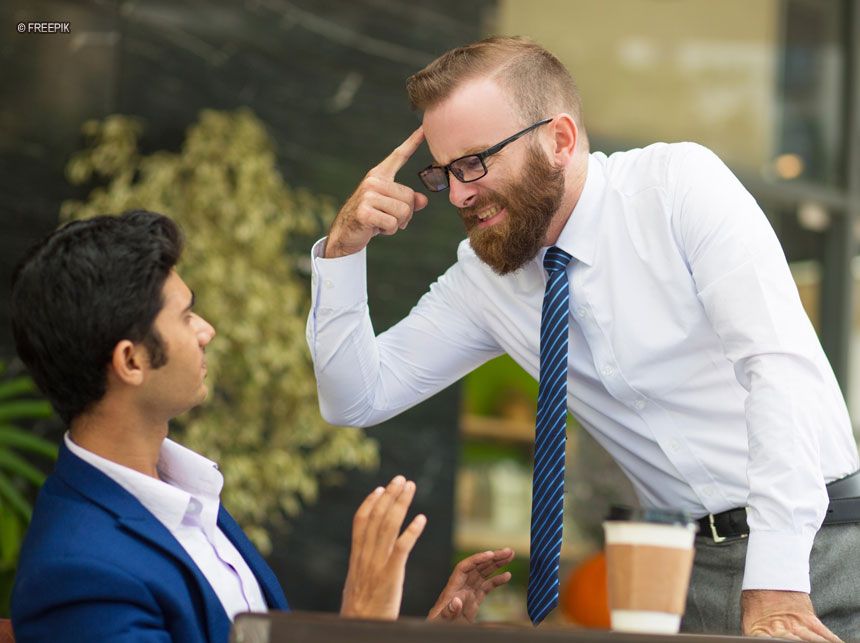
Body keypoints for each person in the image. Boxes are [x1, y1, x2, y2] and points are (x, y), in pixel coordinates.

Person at [306, 36, 860, 640]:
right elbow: (356, 397)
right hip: (683, 575)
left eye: (475, 162)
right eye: (444, 173)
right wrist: (343, 251)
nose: (459, 193)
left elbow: (776, 368)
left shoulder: (677, 187)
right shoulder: (483, 280)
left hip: (823, 546)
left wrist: (776, 586)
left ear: (560, 140)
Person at [9, 210, 513, 643]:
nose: (207, 331)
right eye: (186, 317)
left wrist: (420, 632)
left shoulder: (186, 495)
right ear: (131, 361)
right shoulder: (78, 574)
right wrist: (360, 623)